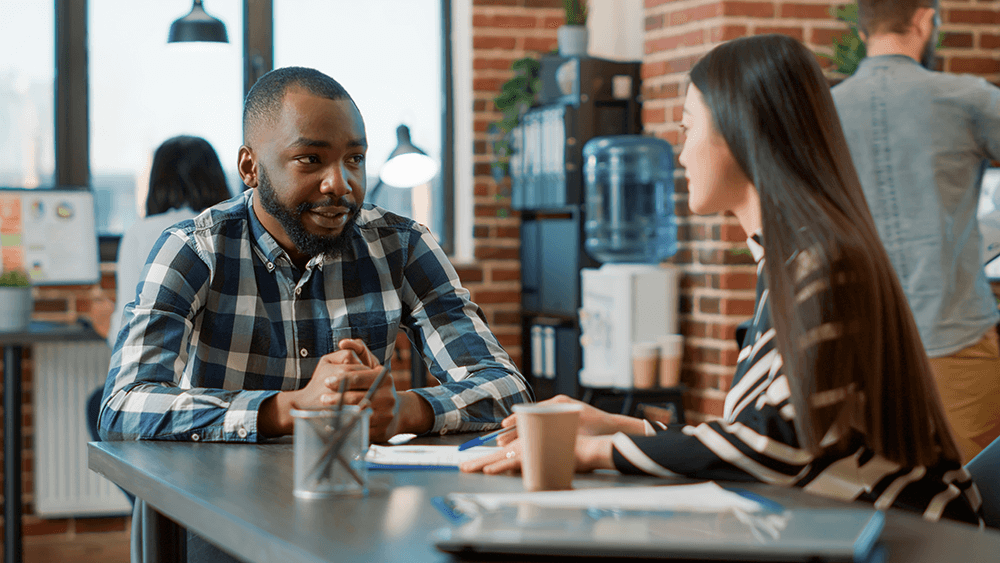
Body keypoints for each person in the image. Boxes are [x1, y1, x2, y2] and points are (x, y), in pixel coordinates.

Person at [462, 34, 984, 525]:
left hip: (914, 536)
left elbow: (783, 442)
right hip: (857, 525)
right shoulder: (793, 259)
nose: (682, 154)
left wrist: (596, 451)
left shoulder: (824, 261)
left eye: (689, 129)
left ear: (741, 130)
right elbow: (759, 436)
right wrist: (618, 425)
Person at [98, 66, 532, 445]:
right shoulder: (195, 248)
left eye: (355, 159)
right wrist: (290, 409)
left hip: (354, 500)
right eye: (310, 159)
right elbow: (122, 405)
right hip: (221, 509)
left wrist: (405, 410)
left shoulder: (401, 246)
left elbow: (507, 388)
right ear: (250, 168)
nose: (340, 184)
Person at [831, 0, 1000, 464]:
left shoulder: (824, 110)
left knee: (882, 492)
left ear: (863, 30)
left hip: (858, 350)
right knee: (976, 501)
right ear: (925, 20)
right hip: (955, 340)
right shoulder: (967, 98)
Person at [87, 135, 233, 444]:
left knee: (103, 407)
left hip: (173, 400)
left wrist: (104, 322)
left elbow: (126, 340)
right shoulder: (234, 230)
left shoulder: (141, 234)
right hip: (235, 395)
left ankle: (148, 492)